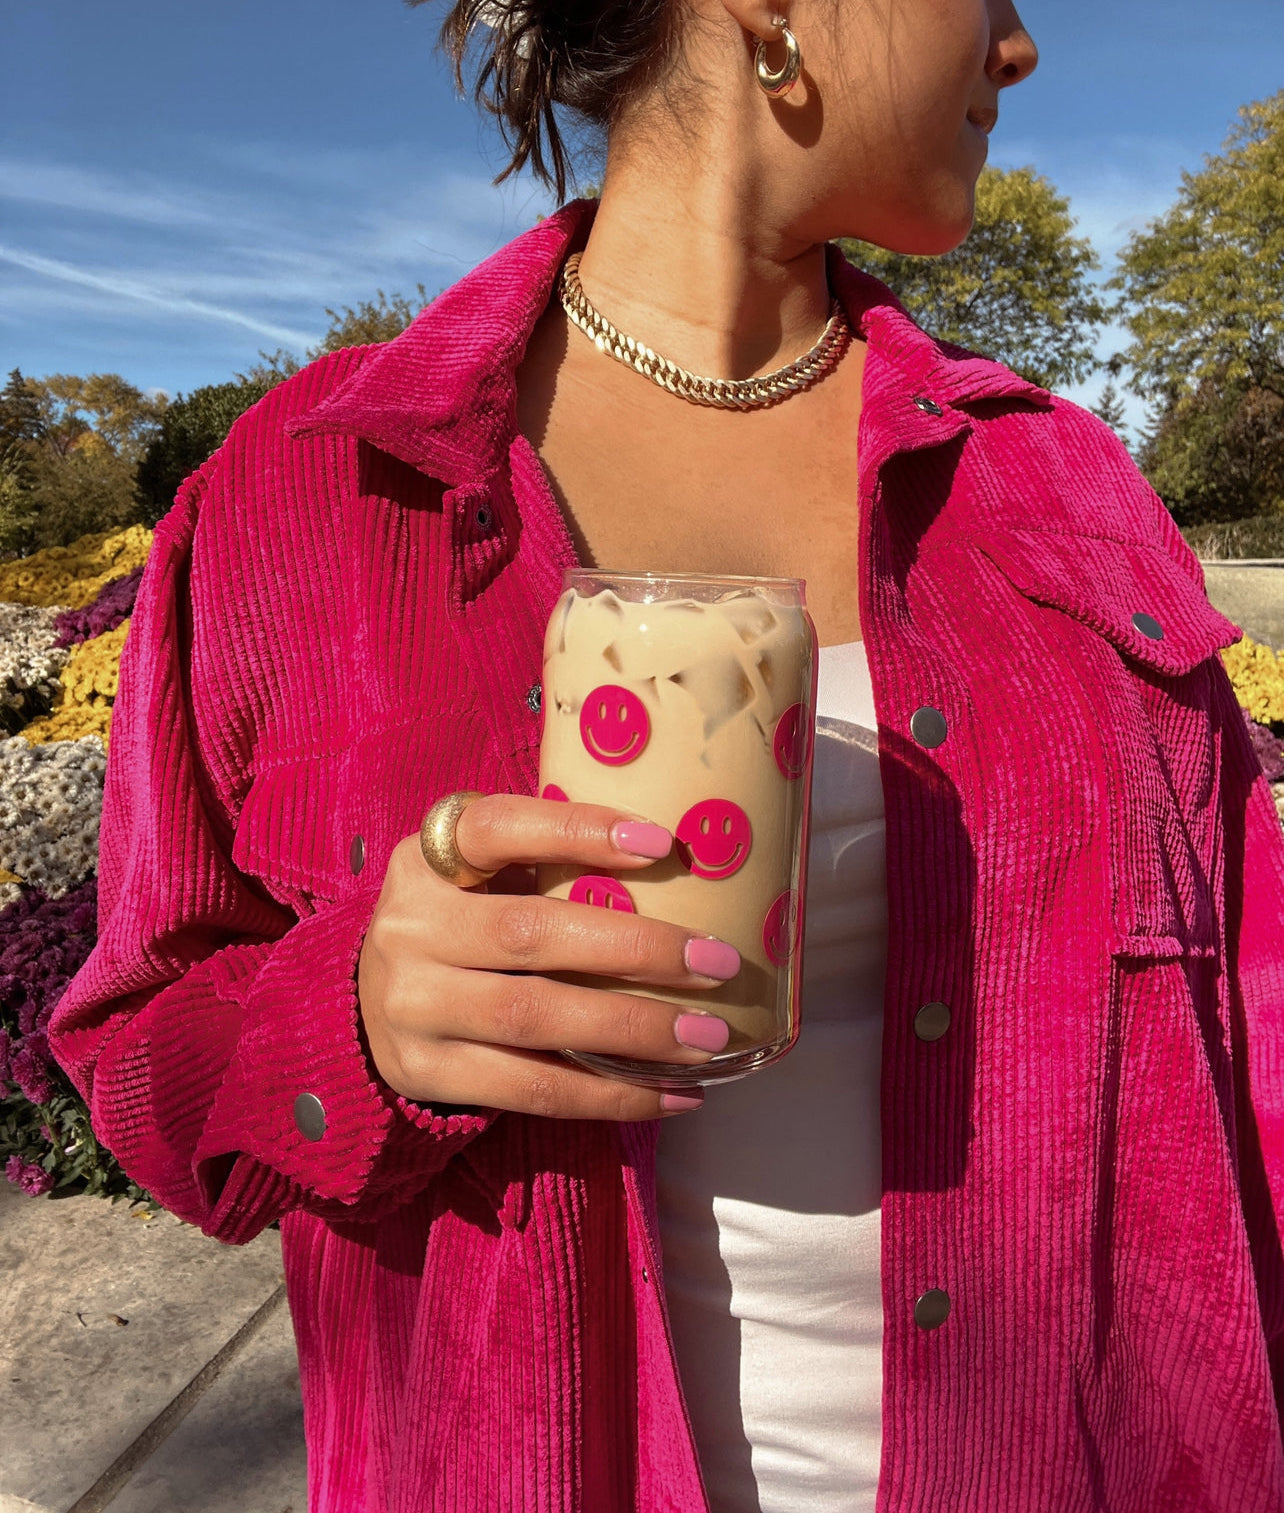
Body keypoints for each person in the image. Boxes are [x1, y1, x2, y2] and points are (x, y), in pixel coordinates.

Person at [49, 0, 1284, 1508]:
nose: (1020, 46)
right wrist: (354, 1022)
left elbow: (1256, 1040)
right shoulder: (304, 495)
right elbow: (140, 1057)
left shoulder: (1061, 490)